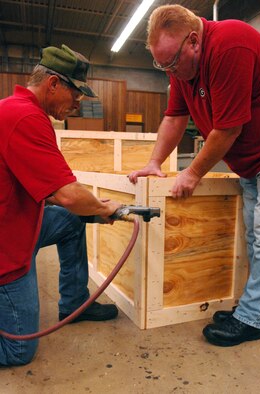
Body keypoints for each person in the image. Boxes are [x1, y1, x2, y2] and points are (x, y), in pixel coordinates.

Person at [128, 5, 260, 347]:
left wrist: (193, 172)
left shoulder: (231, 45)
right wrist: (155, 162)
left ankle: (252, 319)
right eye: (161, 64)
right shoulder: (182, 66)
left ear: (194, 41)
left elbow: (228, 128)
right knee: (256, 238)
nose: (168, 71)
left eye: (170, 63)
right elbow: (174, 117)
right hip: (252, 162)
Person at [0, 44, 122, 366]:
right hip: (5, 246)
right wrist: (101, 207)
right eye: (76, 94)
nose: (78, 104)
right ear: (53, 84)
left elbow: (51, 191)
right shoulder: (26, 117)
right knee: (19, 350)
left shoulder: (17, 110)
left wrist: (89, 208)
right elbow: (67, 194)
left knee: (70, 222)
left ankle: (74, 303)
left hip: (17, 221)